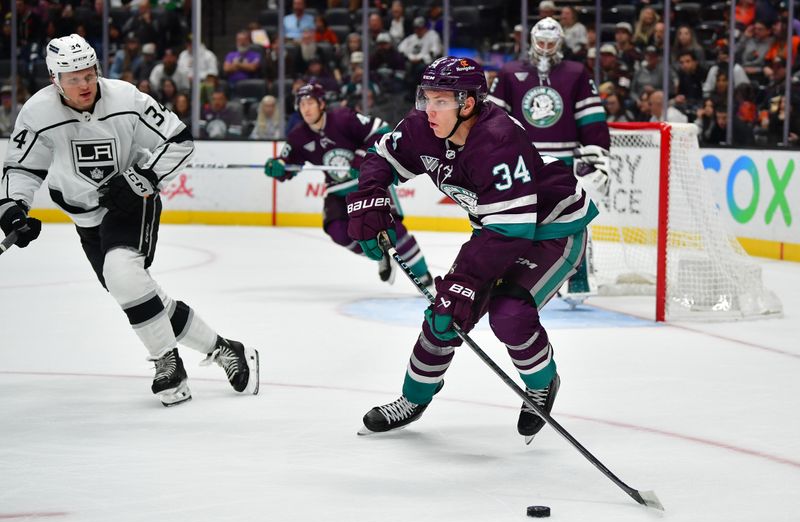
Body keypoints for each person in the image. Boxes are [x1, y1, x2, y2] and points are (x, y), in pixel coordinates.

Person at [347, 57, 597, 442]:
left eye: (441, 100)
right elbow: (381, 158)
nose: (429, 108)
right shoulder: (422, 127)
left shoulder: (498, 140)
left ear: (468, 103)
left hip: (553, 228)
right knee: (444, 316)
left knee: (509, 313)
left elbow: (510, 231)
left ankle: (542, 383)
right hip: (499, 228)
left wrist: (463, 282)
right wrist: (371, 195)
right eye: (426, 97)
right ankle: (413, 398)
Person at [0, 34, 259, 406]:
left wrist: (142, 178)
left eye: (89, 74)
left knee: (124, 277)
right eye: (73, 78)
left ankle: (168, 364)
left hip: (133, 201)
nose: (84, 84)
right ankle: (225, 349)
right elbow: (22, 167)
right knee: (138, 295)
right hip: (85, 216)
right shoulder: (37, 113)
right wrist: (13, 209)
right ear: (55, 79)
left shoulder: (126, 98)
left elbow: (179, 141)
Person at [487, 17, 610, 307]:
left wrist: (597, 157)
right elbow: (492, 121)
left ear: (560, 43)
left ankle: (579, 277)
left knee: (571, 218)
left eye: (550, 43)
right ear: (531, 41)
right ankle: (507, 274)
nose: (544, 48)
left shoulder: (576, 73)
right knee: (515, 217)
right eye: (540, 42)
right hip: (521, 160)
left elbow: (591, 120)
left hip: (562, 159)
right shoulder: (509, 72)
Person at [264, 83, 433, 285]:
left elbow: (381, 129)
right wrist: (278, 166)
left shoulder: (343, 119)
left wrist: (361, 158)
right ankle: (381, 256)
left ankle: (424, 278)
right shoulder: (298, 136)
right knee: (338, 231)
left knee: (394, 230)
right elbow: (287, 163)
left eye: (310, 103)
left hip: (369, 183)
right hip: (337, 191)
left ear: (322, 103)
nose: (306, 108)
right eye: (302, 104)